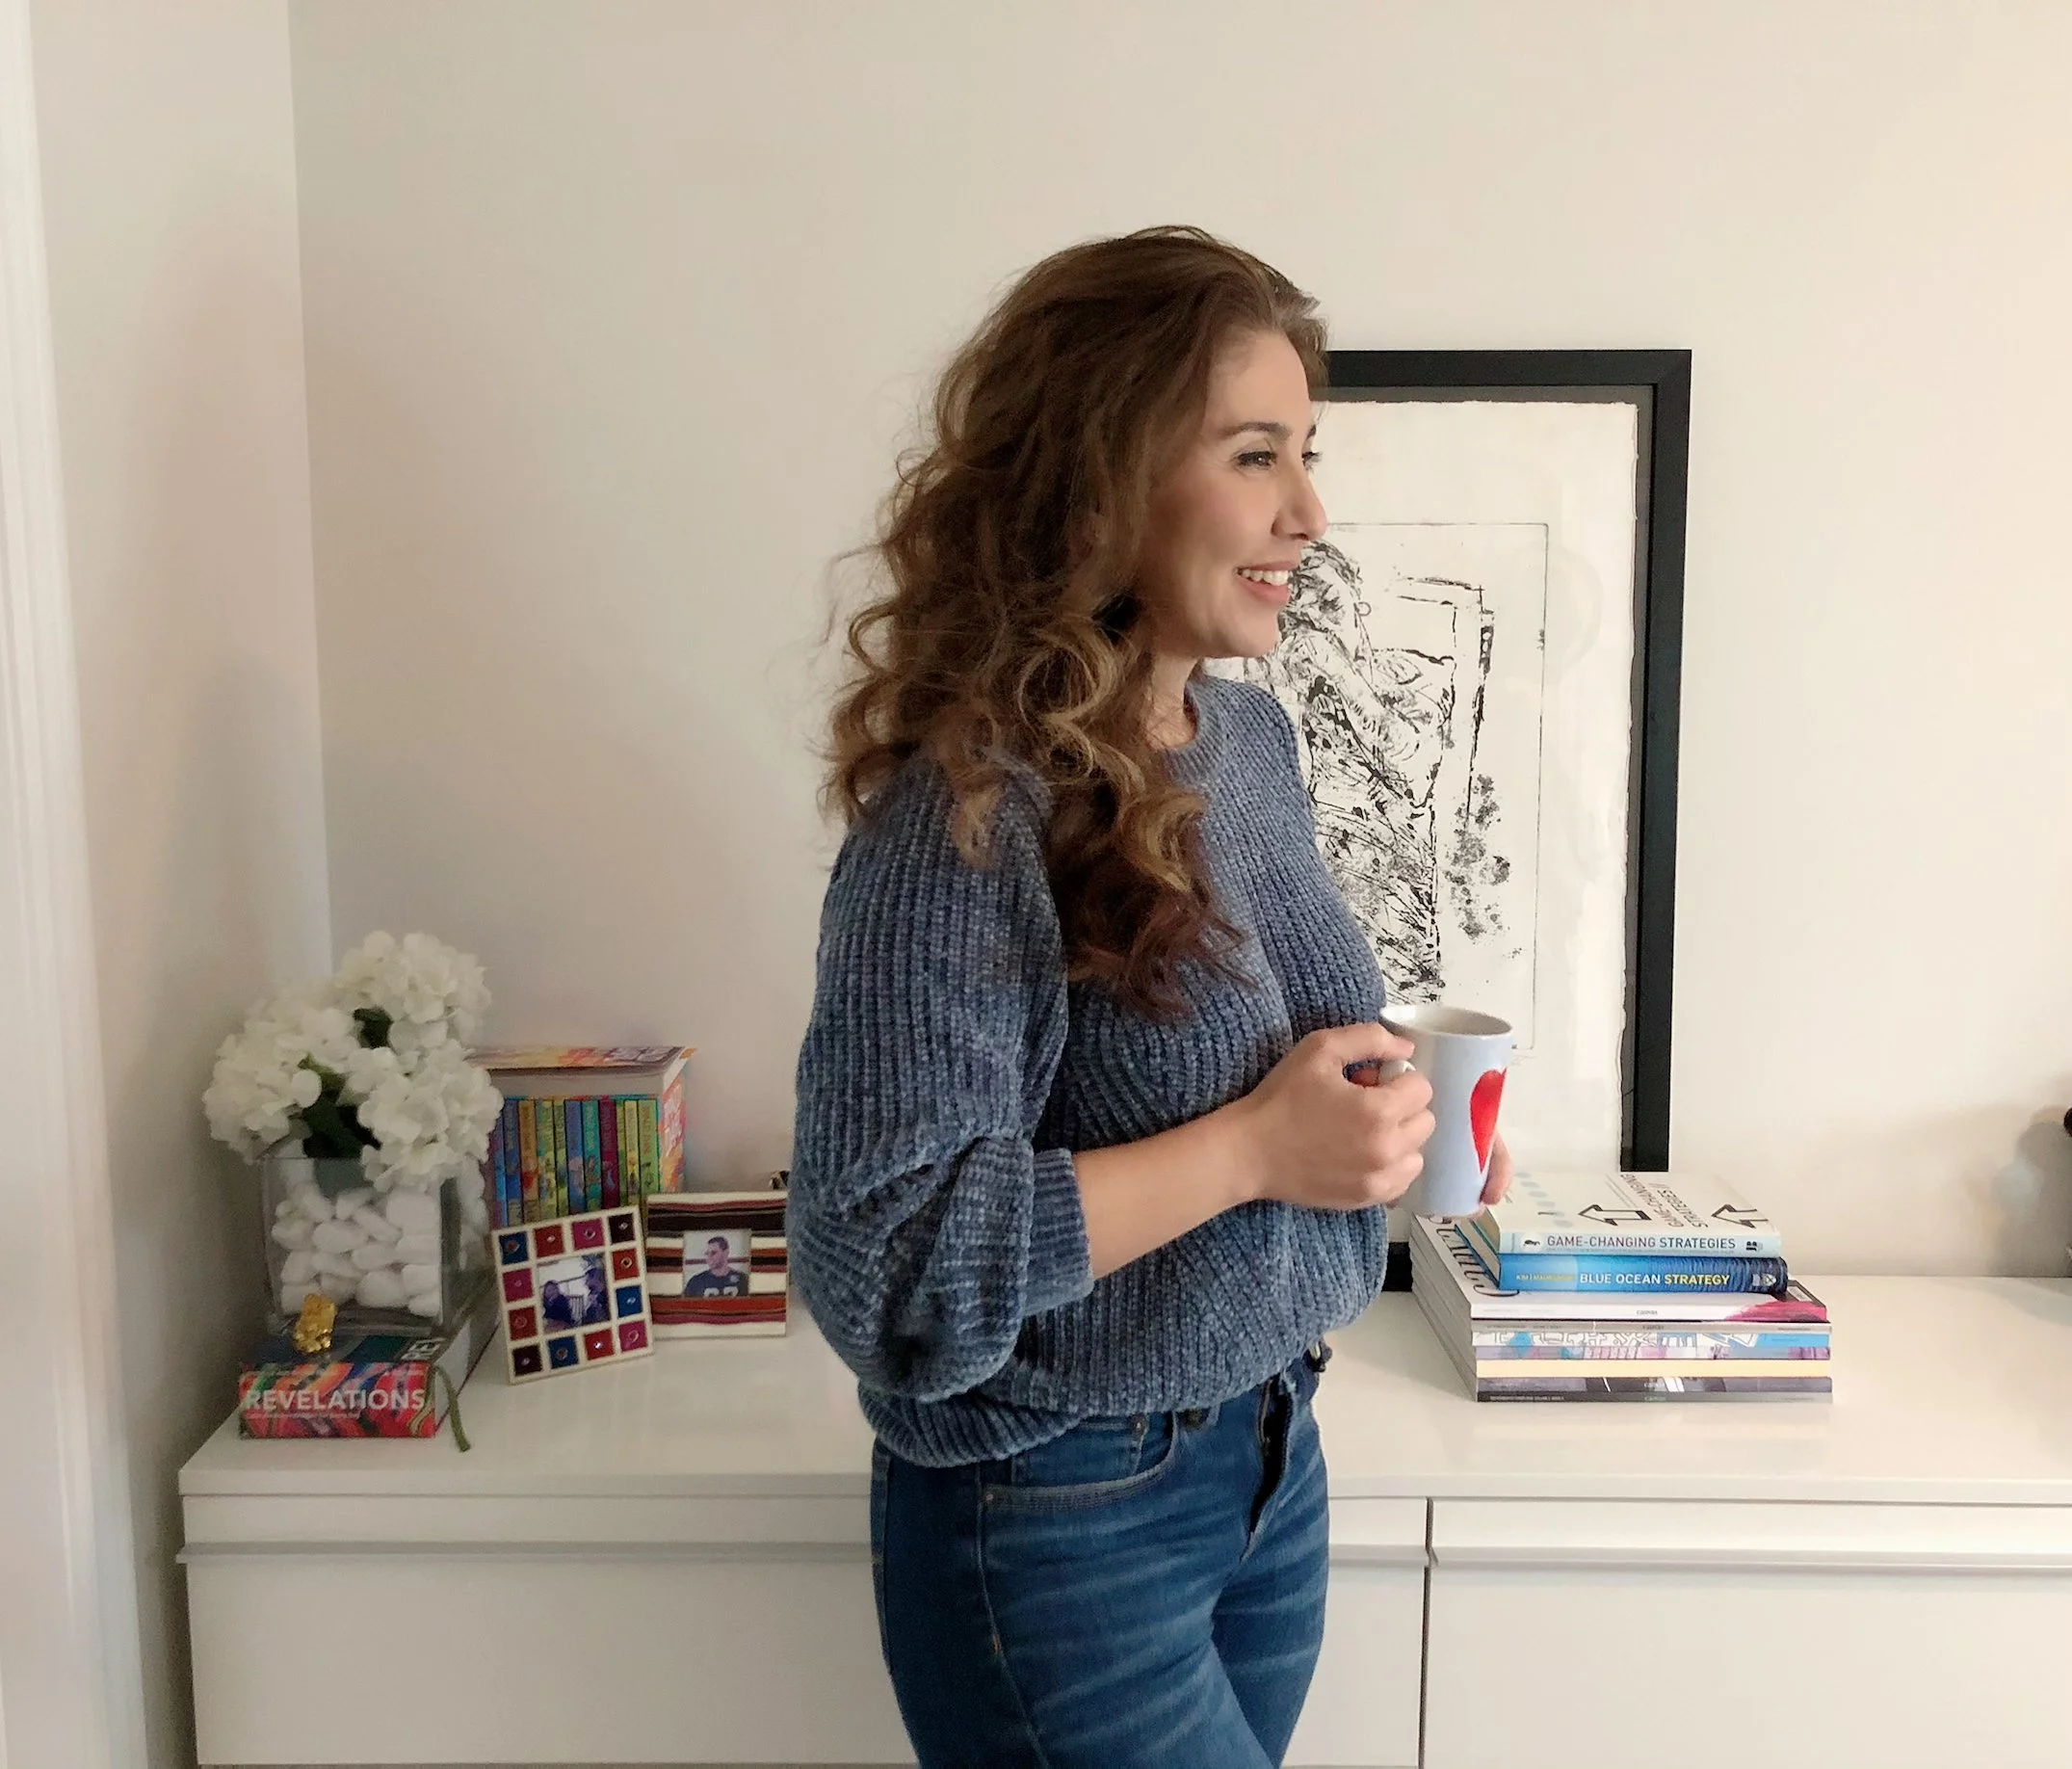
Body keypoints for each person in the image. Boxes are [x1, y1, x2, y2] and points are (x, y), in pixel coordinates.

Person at [788, 224, 1511, 1769]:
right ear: (1096, 479)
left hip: (1267, 1462)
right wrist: (1259, 1152)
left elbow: (1281, 1056)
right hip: (1055, 1514)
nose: (1307, 514)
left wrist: (1391, 1133)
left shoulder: (1244, 748)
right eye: (1255, 456)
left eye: (1304, 455)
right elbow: (887, 1267)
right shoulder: (965, 810)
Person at [682, 1232, 748, 1298]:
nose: (709, 1257)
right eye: (707, 1254)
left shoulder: (742, 1279)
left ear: (726, 1253)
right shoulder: (696, 1282)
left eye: (713, 1253)